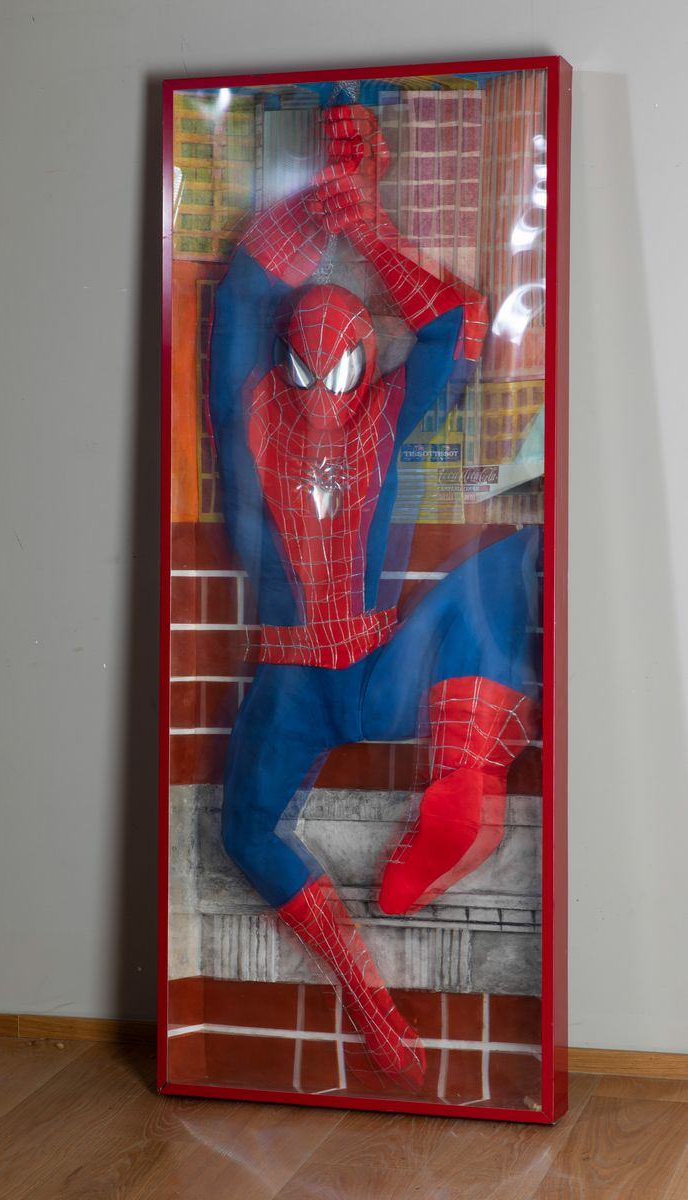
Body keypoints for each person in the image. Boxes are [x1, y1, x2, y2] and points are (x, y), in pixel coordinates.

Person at [208, 105, 539, 1091]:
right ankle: (374, 990)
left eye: (338, 364)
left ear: (362, 365)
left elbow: (455, 326)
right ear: (285, 362)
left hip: (314, 674)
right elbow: (249, 299)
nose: (318, 389)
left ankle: (464, 791)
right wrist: (336, 201)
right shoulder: (283, 411)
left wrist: (358, 216)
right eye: (303, 365)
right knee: (244, 827)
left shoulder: (331, 414)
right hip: (348, 674)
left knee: (511, 559)